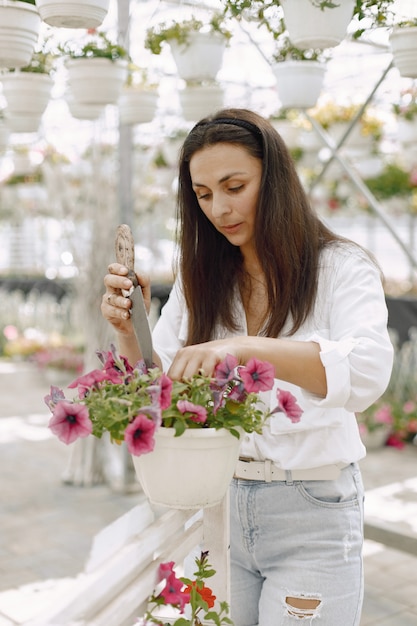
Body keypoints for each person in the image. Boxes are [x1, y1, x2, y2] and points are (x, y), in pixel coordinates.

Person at [102, 108, 393, 626]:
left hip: (313, 510)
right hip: (217, 504)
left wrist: (243, 348)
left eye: (235, 185)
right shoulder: (202, 280)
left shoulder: (339, 267)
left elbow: (367, 371)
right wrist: (131, 332)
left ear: (274, 179)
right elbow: (161, 388)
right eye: (204, 194)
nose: (219, 207)